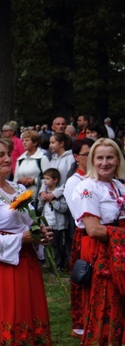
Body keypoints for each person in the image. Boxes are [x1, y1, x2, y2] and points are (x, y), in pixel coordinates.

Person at [0, 131, 53, 345]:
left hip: (26, 264)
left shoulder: (18, 188)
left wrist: (39, 233)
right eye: (0, 155)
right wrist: (21, 239)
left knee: (30, 318)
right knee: (10, 321)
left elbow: (28, 223)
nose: (7, 158)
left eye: (8, 153)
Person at [72, 138, 125, 345]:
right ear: (92, 161)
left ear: (118, 160)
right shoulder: (87, 187)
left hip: (117, 251)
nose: (105, 163)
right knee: (104, 305)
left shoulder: (119, 186)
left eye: (110, 157)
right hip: (100, 253)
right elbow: (93, 229)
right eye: (100, 158)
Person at [63, 137, 94, 338]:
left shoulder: (97, 178)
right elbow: (79, 216)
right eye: (86, 154)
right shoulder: (75, 182)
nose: (91, 158)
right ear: (76, 157)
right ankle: (81, 322)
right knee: (84, 277)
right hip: (85, 235)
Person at [37, 168, 69, 269]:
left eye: (47, 179)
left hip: (58, 225)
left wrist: (53, 202)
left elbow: (64, 208)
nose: (45, 181)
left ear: (55, 180)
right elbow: (39, 208)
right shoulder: (43, 193)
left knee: (58, 245)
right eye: (44, 179)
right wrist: (42, 201)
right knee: (47, 243)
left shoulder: (59, 194)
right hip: (46, 223)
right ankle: (49, 263)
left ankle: (58, 264)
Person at [14, 130, 50, 203]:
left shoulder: (42, 158)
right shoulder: (21, 159)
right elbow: (15, 180)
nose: (24, 142)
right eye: (23, 140)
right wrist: (19, 181)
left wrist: (34, 181)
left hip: (37, 199)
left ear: (35, 143)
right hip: (22, 199)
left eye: (27, 140)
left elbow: (49, 179)